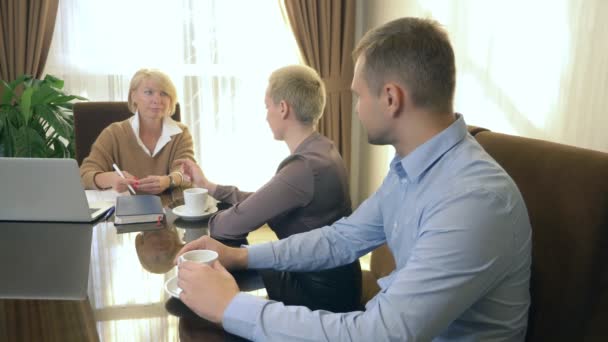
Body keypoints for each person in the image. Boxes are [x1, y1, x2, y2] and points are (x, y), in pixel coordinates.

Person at [176, 17, 532, 341]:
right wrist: (243, 258)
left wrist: (230, 307)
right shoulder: (410, 169)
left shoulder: (475, 201)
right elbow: (340, 239)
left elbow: (377, 335)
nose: (356, 108)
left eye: (359, 95)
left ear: (391, 98)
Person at [175, 65, 361, 313]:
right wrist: (210, 187)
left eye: (267, 106)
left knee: (221, 266)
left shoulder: (303, 167)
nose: (266, 115)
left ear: (283, 108)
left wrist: (217, 220)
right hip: (339, 281)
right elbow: (266, 201)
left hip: (318, 294)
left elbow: (226, 226)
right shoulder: (323, 150)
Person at [80, 68, 194, 194]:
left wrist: (169, 180)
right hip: (127, 209)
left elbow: (188, 173)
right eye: (149, 92)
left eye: (164, 93)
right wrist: (111, 179)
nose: (157, 100)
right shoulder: (114, 133)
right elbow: (84, 174)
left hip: (172, 209)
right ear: (133, 96)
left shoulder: (181, 133)